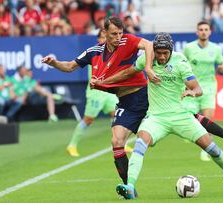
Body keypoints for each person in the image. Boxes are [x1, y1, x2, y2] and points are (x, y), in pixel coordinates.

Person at [115, 33, 223, 199]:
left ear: (171, 50)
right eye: (159, 53)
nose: (162, 56)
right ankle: (130, 186)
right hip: (156, 117)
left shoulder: (180, 61)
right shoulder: (147, 59)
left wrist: (192, 92)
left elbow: (198, 88)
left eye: (165, 53)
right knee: (140, 143)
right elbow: (129, 71)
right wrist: (108, 81)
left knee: (212, 148)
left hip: (180, 116)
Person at [42, 16, 155, 191]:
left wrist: (147, 67)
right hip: (124, 102)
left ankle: (210, 146)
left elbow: (149, 45)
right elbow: (70, 66)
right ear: (104, 33)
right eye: (114, 34)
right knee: (116, 141)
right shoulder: (93, 52)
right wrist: (54, 63)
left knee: (182, 122)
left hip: (143, 97)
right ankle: (129, 187)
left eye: (120, 33)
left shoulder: (128, 40)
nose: (118, 37)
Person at [183, 20, 223, 161]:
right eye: (201, 29)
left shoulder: (215, 49)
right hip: (192, 87)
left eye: (206, 29)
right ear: (197, 32)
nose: (203, 31)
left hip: (209, 87)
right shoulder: (189, 48)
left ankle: (207, 149)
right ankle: (197, 138)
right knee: (190, 118)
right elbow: (182, 66)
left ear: (210, 32)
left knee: (208, 120)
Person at [66, 30, 120, 157]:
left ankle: (119, 143)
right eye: (102, 37)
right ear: (98, 39)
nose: (104, 39)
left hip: (109, 92)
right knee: (88, 120)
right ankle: (72, 145)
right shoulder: (94, 52)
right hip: (96, 92)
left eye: (106, 37)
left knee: (117, 117)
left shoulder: (114, 51)